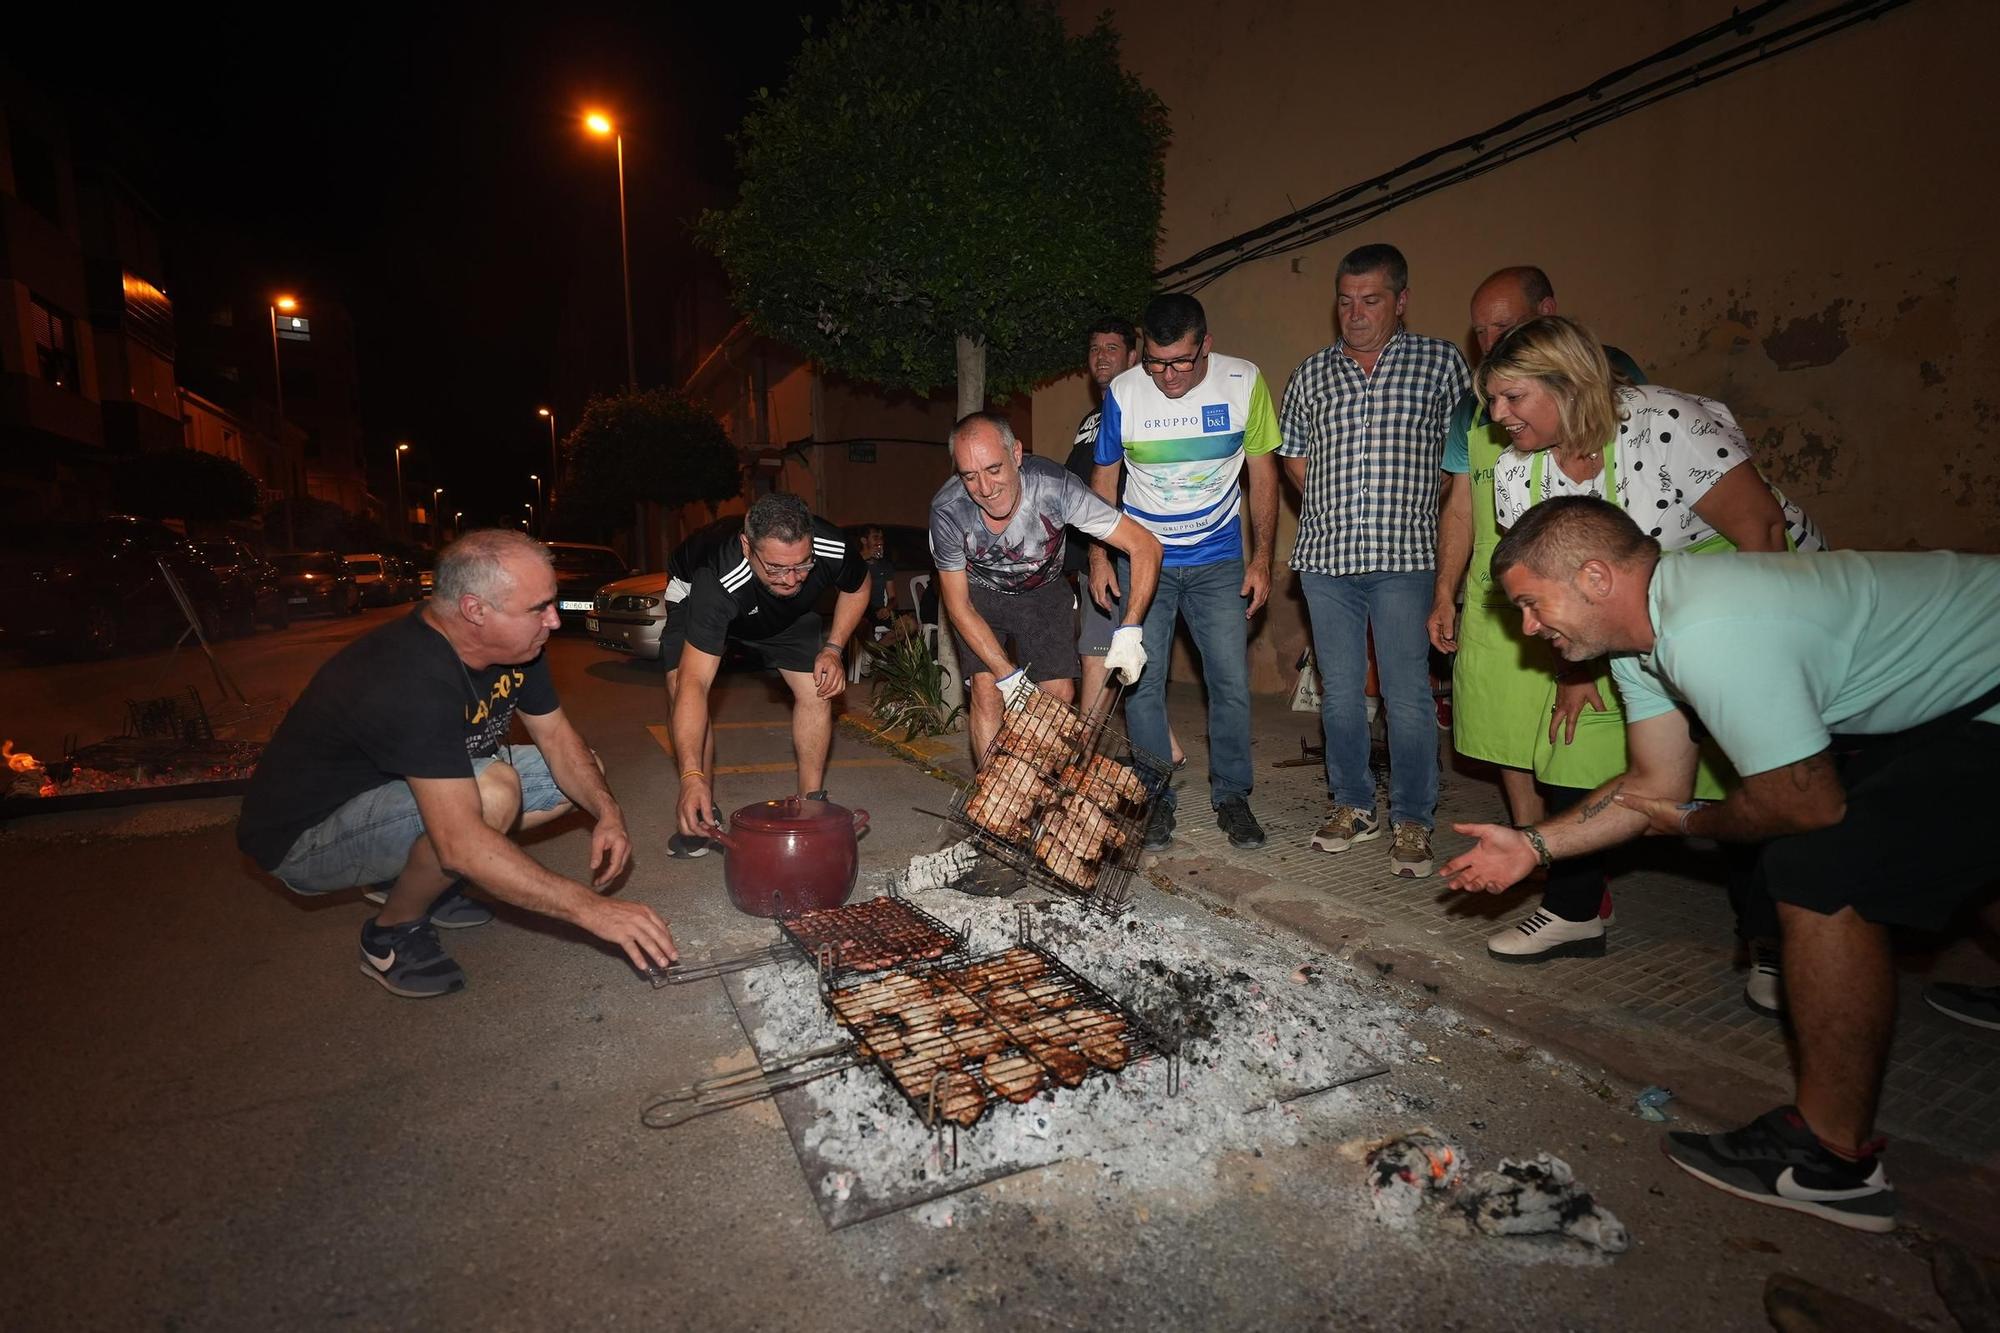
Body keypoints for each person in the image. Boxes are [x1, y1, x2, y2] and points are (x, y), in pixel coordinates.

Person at [1443, 495, 2000, 1232]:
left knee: (1820, 871)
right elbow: (1653, 787)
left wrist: (1700, 822)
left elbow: (1803, 804)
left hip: (1983, 693)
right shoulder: (1642, 642)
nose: (1528, 627)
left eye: (1532, 603)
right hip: (1959, 697)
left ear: (1596, 577)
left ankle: (1830, 1163)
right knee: (1938, 835)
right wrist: (1535, 844)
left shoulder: (1710, 626)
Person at [1477, 316, 1823, 986]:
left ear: (1566, 383)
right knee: (1571, 747)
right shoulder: (1520, 473)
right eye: (1492, 400)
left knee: (1754, 772)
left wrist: (1753, 653)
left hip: (1747, 597)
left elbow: (1761, 526)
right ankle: (1573, 908)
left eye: (1512, 397)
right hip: (1634, 618)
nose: (1497, 415)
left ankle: (1772, 942)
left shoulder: (1663, 420)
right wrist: (1573, 671)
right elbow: (1546, 589)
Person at [237, 529, 678, 999]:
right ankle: (391, 931)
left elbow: (556, 736)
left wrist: (608, 814)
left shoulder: (518, 650)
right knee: (493, 793)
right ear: (475, 611)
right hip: (307, 841)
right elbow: (462, 843)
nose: (553, 620)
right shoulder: (407, 678)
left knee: (572, 773)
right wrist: (593, 910)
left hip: (390, 795)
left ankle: (418, 881)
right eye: (537, 608)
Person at [1431, 266, 1647, 836]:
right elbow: (1459, 506)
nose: (1489, 342)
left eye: (1503, 326)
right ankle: (1534, 841)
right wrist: (1444, 592)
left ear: (1547, 316)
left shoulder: (1637, 404)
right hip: (1512, 578)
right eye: (1479, 331)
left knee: (1587, 741)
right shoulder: (1490, 430)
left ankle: (1571, 850)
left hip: (1604, 593)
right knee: (1506, 723)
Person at [1279, 243, 1469, 878]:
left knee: (1407, 694)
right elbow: (1295, 457)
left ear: (1401, 301)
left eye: (1371, 300)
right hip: (1327, 556)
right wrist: (1337, 506)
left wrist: (1409, 503)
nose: (1355, 313)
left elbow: (1457, 463)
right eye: (1345, 300)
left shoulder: (1442, 364)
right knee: (1338, 693)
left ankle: (1413, 819)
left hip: (1406, 556)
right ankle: (1352, 805)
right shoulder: (1311, 373)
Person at [1092, 293, 1280, 852]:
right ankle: (1154, 796)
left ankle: (1232, 796)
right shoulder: (1124, 392)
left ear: (1206, 346)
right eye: (1155, 361)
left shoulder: (1244, 382)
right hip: (1144, 557)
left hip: (1219, 557)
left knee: (1229, 681)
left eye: (1181, 362)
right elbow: (1104, 481)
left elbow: (1262, 475)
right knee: (1140, 680)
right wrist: (1101, 555)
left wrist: (1263, 557)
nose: (1168, 376)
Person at [933, 411, 1160, 762]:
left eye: (994, 469)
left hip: (1042, 590)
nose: (986, 489)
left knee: (1057, 696)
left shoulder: (1056, 487)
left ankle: (1037, 791)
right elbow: (958, 606)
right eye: (970, 477)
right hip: (980, 594)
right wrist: (1007, 676)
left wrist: (1130, 627)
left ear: (1017, 454)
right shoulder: (949, 511)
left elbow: (1145, 545)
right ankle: (995, 804)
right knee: (987, 687)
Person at [667, 493, 871, 856]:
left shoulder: (829, 546)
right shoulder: (718, 578)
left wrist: (834, 648)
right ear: (748, 547)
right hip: (695, 596)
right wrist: (690, 775)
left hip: (781, 615)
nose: (792, 580)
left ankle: (812, 807)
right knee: (681, 686)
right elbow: (695, 684)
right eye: (776, 568)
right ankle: (701, 807)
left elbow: (858, 585)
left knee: (817, 686)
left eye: (802, 565)